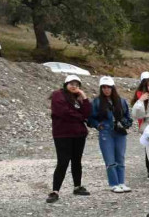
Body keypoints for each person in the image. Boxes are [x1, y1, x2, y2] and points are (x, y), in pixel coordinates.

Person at [47, 75, 92, 203]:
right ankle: (55, 191)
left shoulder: (77, 98)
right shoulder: (58, 95)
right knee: (63, 162)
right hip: (63, 134)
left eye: (77, 84)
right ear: (66, 84)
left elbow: (87, 113)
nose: (74, 86)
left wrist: (84, 97)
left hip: (78, 134)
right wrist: (80, 117)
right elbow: (63, 112)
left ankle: (77, 186)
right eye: (71, 83)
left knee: (77, 161)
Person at [88, 76, 132, 193]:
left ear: (113, 88)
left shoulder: (121, 101)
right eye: (104, 87)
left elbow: (128, 116)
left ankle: (121, 182)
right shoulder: (97, 102)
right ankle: (113, 183)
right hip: (106, 132)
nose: (106, 89)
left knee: (120, 158)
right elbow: (90, 118)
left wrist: (126, 123)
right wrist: (98, 125)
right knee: (110, 159)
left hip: (120, 132)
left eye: (108, 87)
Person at [133, 71, 149, 179]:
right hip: (145, 124)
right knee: (148, 147)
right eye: (145, 81)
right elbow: (139, 111)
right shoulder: (140, 94)